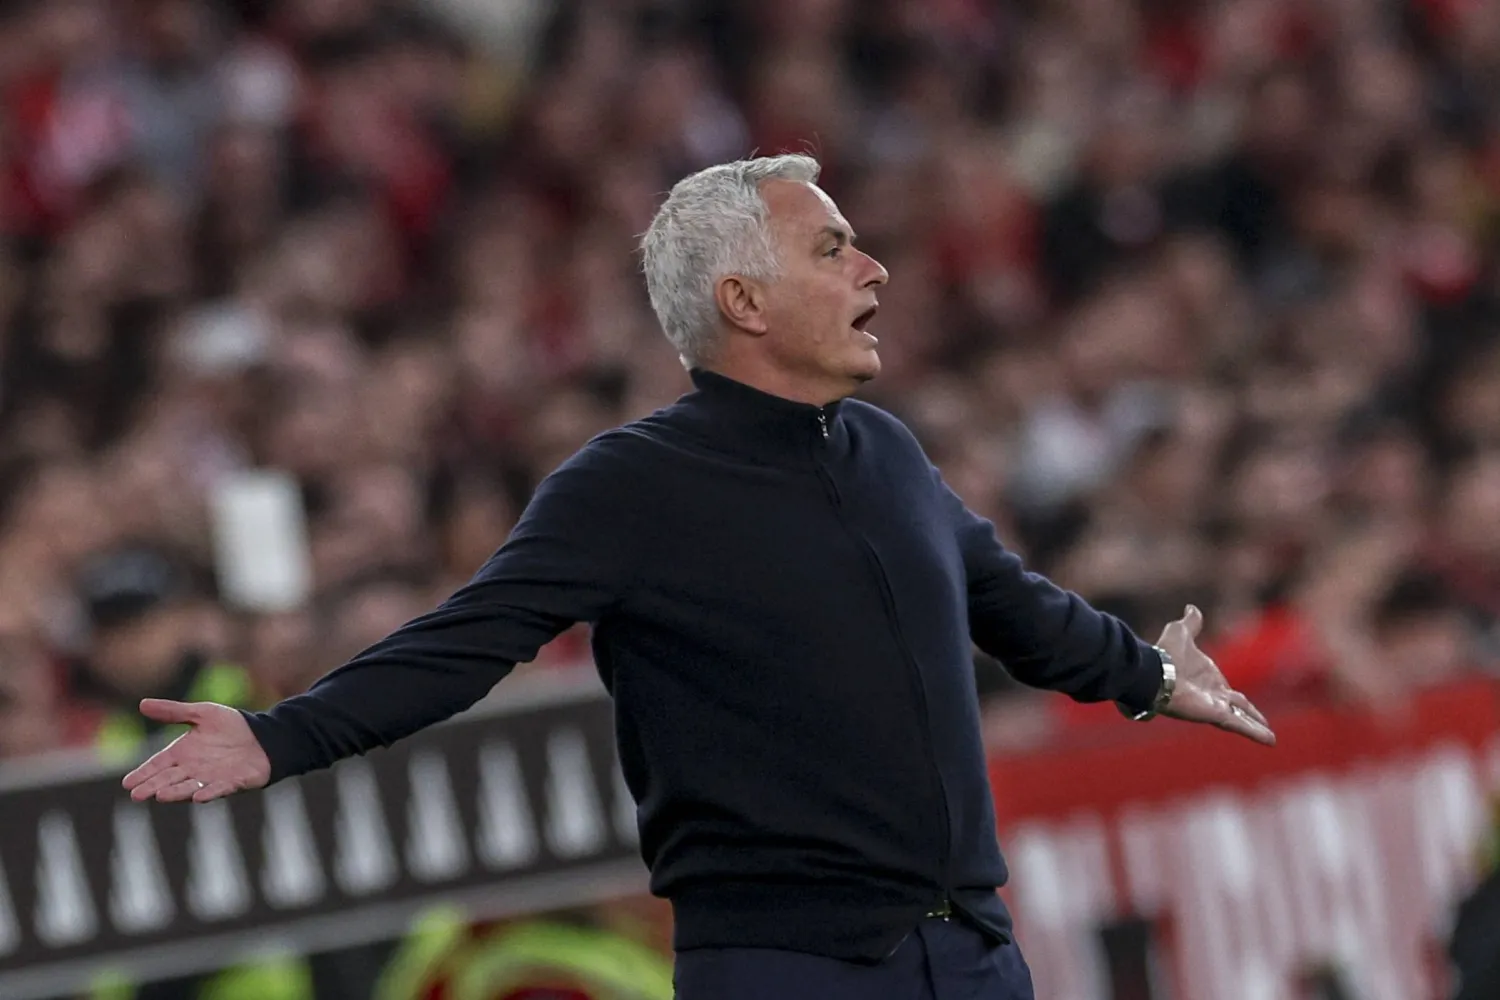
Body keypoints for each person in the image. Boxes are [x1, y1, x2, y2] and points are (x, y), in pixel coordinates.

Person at [123, 154, 1276, 1000]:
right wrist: (282, 736)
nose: (872, 264)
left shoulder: (886, 451)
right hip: (784, 969)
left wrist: (1145, 674)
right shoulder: (628, 485)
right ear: (744, 302)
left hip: (970, 952)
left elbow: (1012, 604)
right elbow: (467, 639)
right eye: (832, 248)